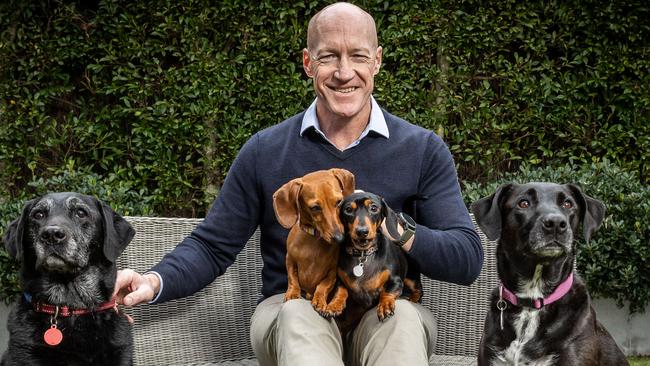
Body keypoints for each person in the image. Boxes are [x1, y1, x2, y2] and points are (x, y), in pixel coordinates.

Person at [113, 3, 483, 366]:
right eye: (328, 57)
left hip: (379, 312)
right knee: (297, 315)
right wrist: (152, 281)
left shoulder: (421, 150)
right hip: (294, 310)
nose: (343, 72)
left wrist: (394, 227)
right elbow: (212, 246)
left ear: (377, 61)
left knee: (402, 320)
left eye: (357, 56)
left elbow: (466, 258)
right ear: (308, 63)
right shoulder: (265, 151)